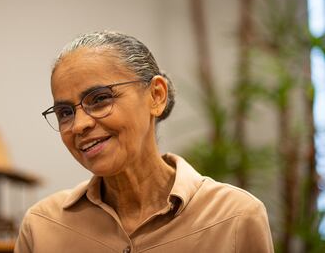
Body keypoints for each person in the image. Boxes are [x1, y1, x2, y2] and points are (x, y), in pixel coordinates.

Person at [14, 31, 274, 253]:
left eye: (100, 99)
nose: (79, 125)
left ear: (156, 96)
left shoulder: (235, 218)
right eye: (65, 113)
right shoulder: (42, 227)